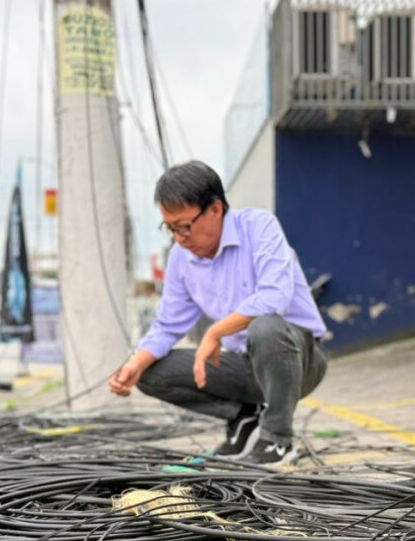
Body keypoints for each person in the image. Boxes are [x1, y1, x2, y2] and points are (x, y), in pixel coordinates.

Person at [109, 161, 327, 465]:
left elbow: (274, 297)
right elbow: (168, 324)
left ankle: (277, 439)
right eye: (170, 228)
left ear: (215, 209)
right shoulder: (180, 259)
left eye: (184, 226)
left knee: (265, 327)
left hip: (298, 360)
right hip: (243, 364)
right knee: (149, 371)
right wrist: (134, 364)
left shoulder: (259, 227)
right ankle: (245, 418)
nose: (179, 237)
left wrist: (215, 332)